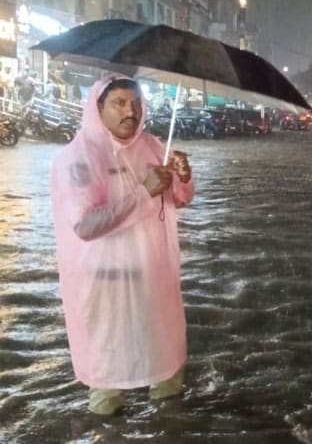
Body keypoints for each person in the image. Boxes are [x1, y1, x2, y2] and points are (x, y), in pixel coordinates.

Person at [50, 74, 194, 415]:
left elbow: (178, 199)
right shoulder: (78, 159)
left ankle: (170, 430)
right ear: (98, 108)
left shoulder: (153, 147)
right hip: (105, 284)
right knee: (107, 384)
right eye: (119, 103)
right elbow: (86, 225)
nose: (130, 111)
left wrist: (183, 178)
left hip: (153, 278)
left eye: (136, 104)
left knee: (167, 373)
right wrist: (143, 191)